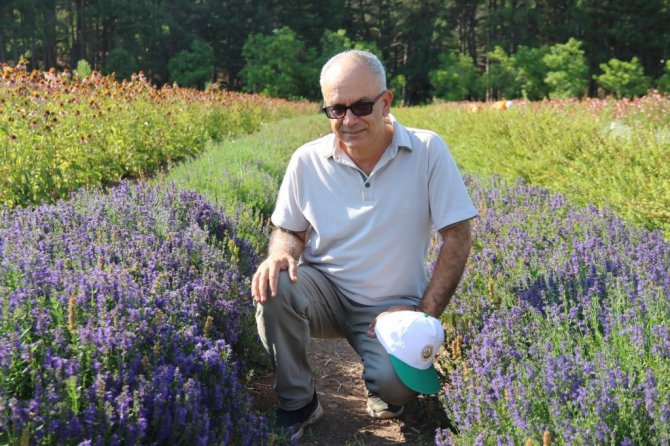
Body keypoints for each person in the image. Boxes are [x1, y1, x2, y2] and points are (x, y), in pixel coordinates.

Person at [251, 49, 478, 442]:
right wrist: (281, 254)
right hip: (324, 292)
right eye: (337, 109)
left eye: (361, 106)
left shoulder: (427, 151)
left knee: (399, 388)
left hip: (392, 305)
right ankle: (298, 401)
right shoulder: (307, 160)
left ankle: (380, 384)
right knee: (275, 284)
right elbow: (290, 230)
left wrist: (423, 314)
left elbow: (458, 235)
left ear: (386, 102)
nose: (349, 120)